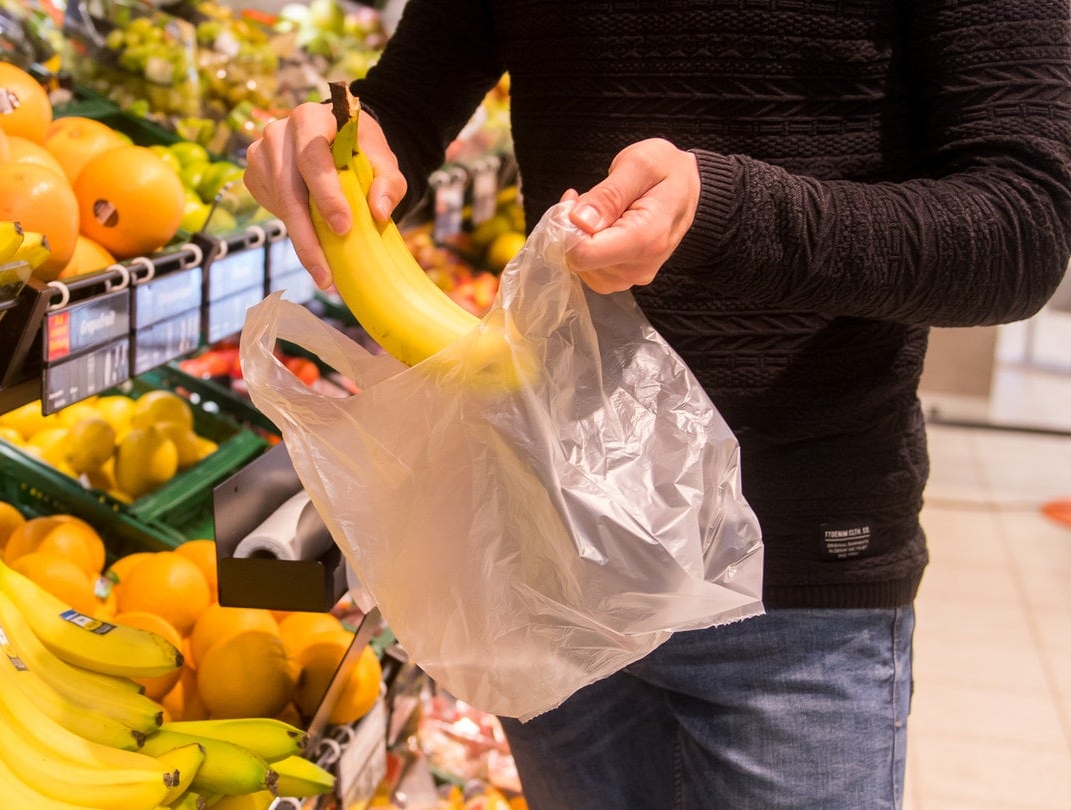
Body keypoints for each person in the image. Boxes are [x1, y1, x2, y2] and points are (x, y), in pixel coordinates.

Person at [243, 2, 1071, 808]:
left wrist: (721, 211)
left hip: (797, 588)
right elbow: (407, 106)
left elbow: (1022, 223)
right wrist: (334, 145)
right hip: (554, 550)